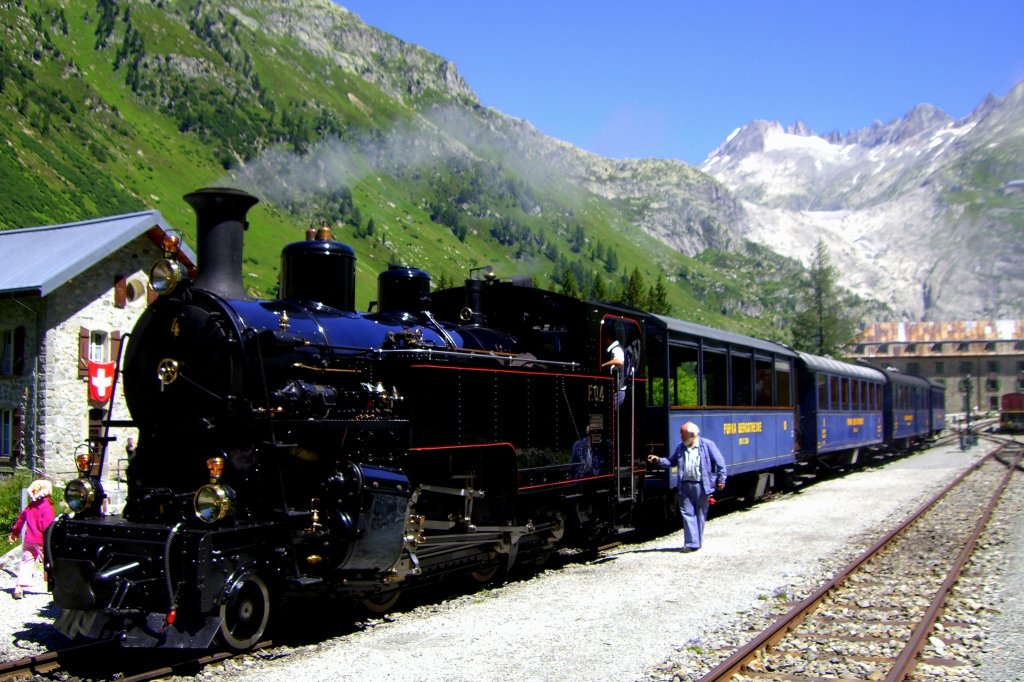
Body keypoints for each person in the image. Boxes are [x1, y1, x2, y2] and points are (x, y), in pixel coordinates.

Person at [647, 422, 726, 552]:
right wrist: (659, 460)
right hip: (684, 485)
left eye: (683, 435)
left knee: (700, 513)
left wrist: (721, 479)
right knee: (687, 513)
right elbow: (671, 462)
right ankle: (690, 543)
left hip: (702, 485)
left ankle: (697, 541)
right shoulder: (680, 448)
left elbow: (720, 462)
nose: (681, 438)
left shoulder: (707, 445)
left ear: (693, 435)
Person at [9, 479, 55, 599]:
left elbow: (20, 519)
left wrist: (14, 533)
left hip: (29, 540)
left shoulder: (30, 506)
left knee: (26, 562)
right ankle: (55, 586)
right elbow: (48, 527)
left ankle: (19, 588)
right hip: (42, 541)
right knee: (50, 561)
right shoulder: (46, 507)